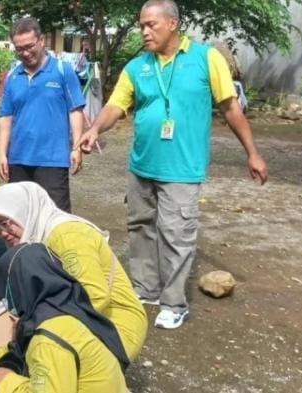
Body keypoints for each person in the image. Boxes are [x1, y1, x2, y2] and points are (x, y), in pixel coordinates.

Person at [77, 0, 269, 329]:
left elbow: (230, 108)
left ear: (172, 24)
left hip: (182, 168)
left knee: (176, 234)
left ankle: (174, 302)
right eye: (141, 25)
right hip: (142, 166)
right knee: (140, 229)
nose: (144, 31)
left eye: (151, 24)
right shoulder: (137, 67)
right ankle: (146, 288)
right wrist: (94, 128)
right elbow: (115, 106)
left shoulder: (205, 59)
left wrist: (252, 152)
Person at [0, 182, 148, 363]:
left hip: (114, 324)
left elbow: (96, 297)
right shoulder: (29, 238)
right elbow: (10, 297)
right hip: (72, 313)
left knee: (38, 357)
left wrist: (38, 329)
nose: (3, 233)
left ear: (25, 212)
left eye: (6, 222)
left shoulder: (68, 236)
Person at [0, 244, 128, 392]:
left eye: (7, 291)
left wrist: (7, 383)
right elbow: (22, 349)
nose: (6, 300)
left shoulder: (46, 338)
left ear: (21, 287)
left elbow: (41, 353)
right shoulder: (64, 308)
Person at [0, 17, 85, 212]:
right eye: (19, 49)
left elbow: (75, 110)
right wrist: (2, 154)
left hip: (52, 160)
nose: (26, 53)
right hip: (18, 160)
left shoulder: (63, 71)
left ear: (41, 40)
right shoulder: (12, 77)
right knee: (19, 218)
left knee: (56, 218)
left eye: (29, 46)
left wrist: (77, 148)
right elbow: (5, 117)